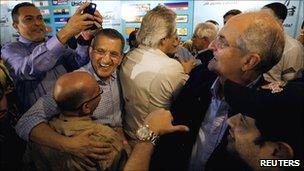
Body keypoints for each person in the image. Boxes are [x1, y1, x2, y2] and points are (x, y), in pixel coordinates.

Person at [150, 11, 285, 170]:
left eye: (222, 41)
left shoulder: (267, 111)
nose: (211, 46)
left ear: (249, 61)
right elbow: (174, 133)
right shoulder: (199, 76)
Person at [16, 28, 125, 162]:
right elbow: (25, 122)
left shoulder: (123, 74)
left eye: (113, 54)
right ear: (90, 52)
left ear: (121, 58)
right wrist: (69, 145)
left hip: (117, 150)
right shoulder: (76, 82)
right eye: (100, 51)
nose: (106, 59)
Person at [1, 2, 102, 112]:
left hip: (71, 113)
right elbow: (26, 70)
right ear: (15, 25)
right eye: (29, 19)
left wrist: (84, 38)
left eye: (40, 18)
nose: (37, 23)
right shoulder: (10, 49)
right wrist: (67, 31)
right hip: (39, 120)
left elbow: (77, 63)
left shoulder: (55, 43)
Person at [28, 72, 130, 170]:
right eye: (99, 91)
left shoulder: (39, 138)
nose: (100, 93)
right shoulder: (105, 139)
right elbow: (131, 166)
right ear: (86, 107)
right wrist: (124, 143)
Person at [119, 5, 193, 141]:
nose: (178, 39)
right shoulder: (172, 67)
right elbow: (186, 103)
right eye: (175, 33)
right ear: (163, 38)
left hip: (129, 132)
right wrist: (187, 73)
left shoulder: (130, 55)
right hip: (153, 142)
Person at [262, 2, 304, 82]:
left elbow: (291, 83)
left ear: (279, 22)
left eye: (264, 18)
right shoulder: (257, 41)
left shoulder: (292, 48)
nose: (258, 22)